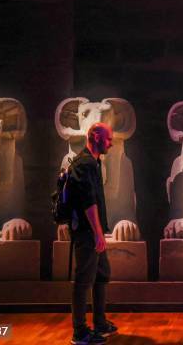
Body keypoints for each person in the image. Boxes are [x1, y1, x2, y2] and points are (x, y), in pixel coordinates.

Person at [69, 122, 118, 344]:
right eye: (108, 138)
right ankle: (80, 332)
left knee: (101, 274)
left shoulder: (94, 163)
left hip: (94, 233)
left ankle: (100, 322)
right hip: (87, 234)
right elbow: (89, 203)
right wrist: (98, 234)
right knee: (83, 281)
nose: (111, 142)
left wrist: (100, 233)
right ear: (96, 136)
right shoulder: (84, 164)